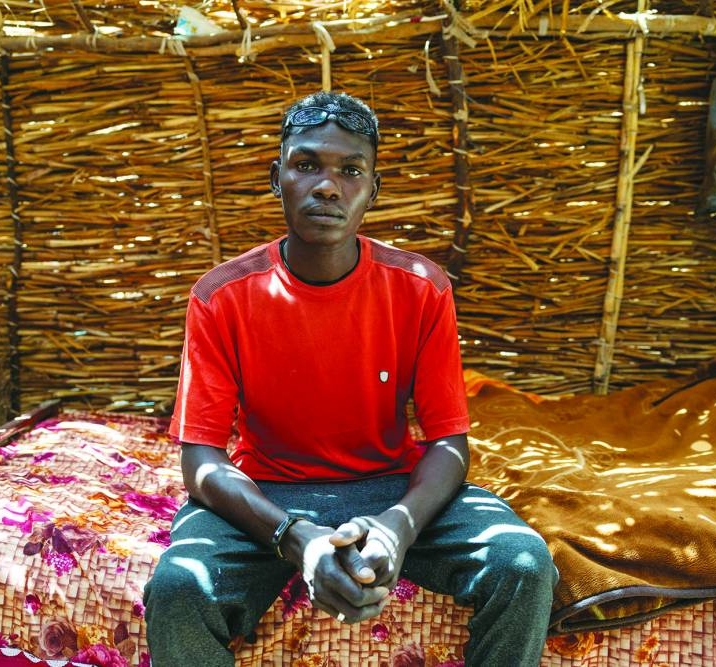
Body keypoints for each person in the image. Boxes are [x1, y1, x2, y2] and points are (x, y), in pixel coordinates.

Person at [143, 90, 557, 666]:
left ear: (372, 189)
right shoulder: (221, 297)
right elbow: (202, 462)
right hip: (269, 494)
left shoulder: (421, 287)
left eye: (350, 170)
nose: (328, 186)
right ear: (277, 176)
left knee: (524, 564)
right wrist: (295, 538)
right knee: (177, 588)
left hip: (391, 486)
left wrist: (399, 527)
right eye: (306, 164)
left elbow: (450, 443)